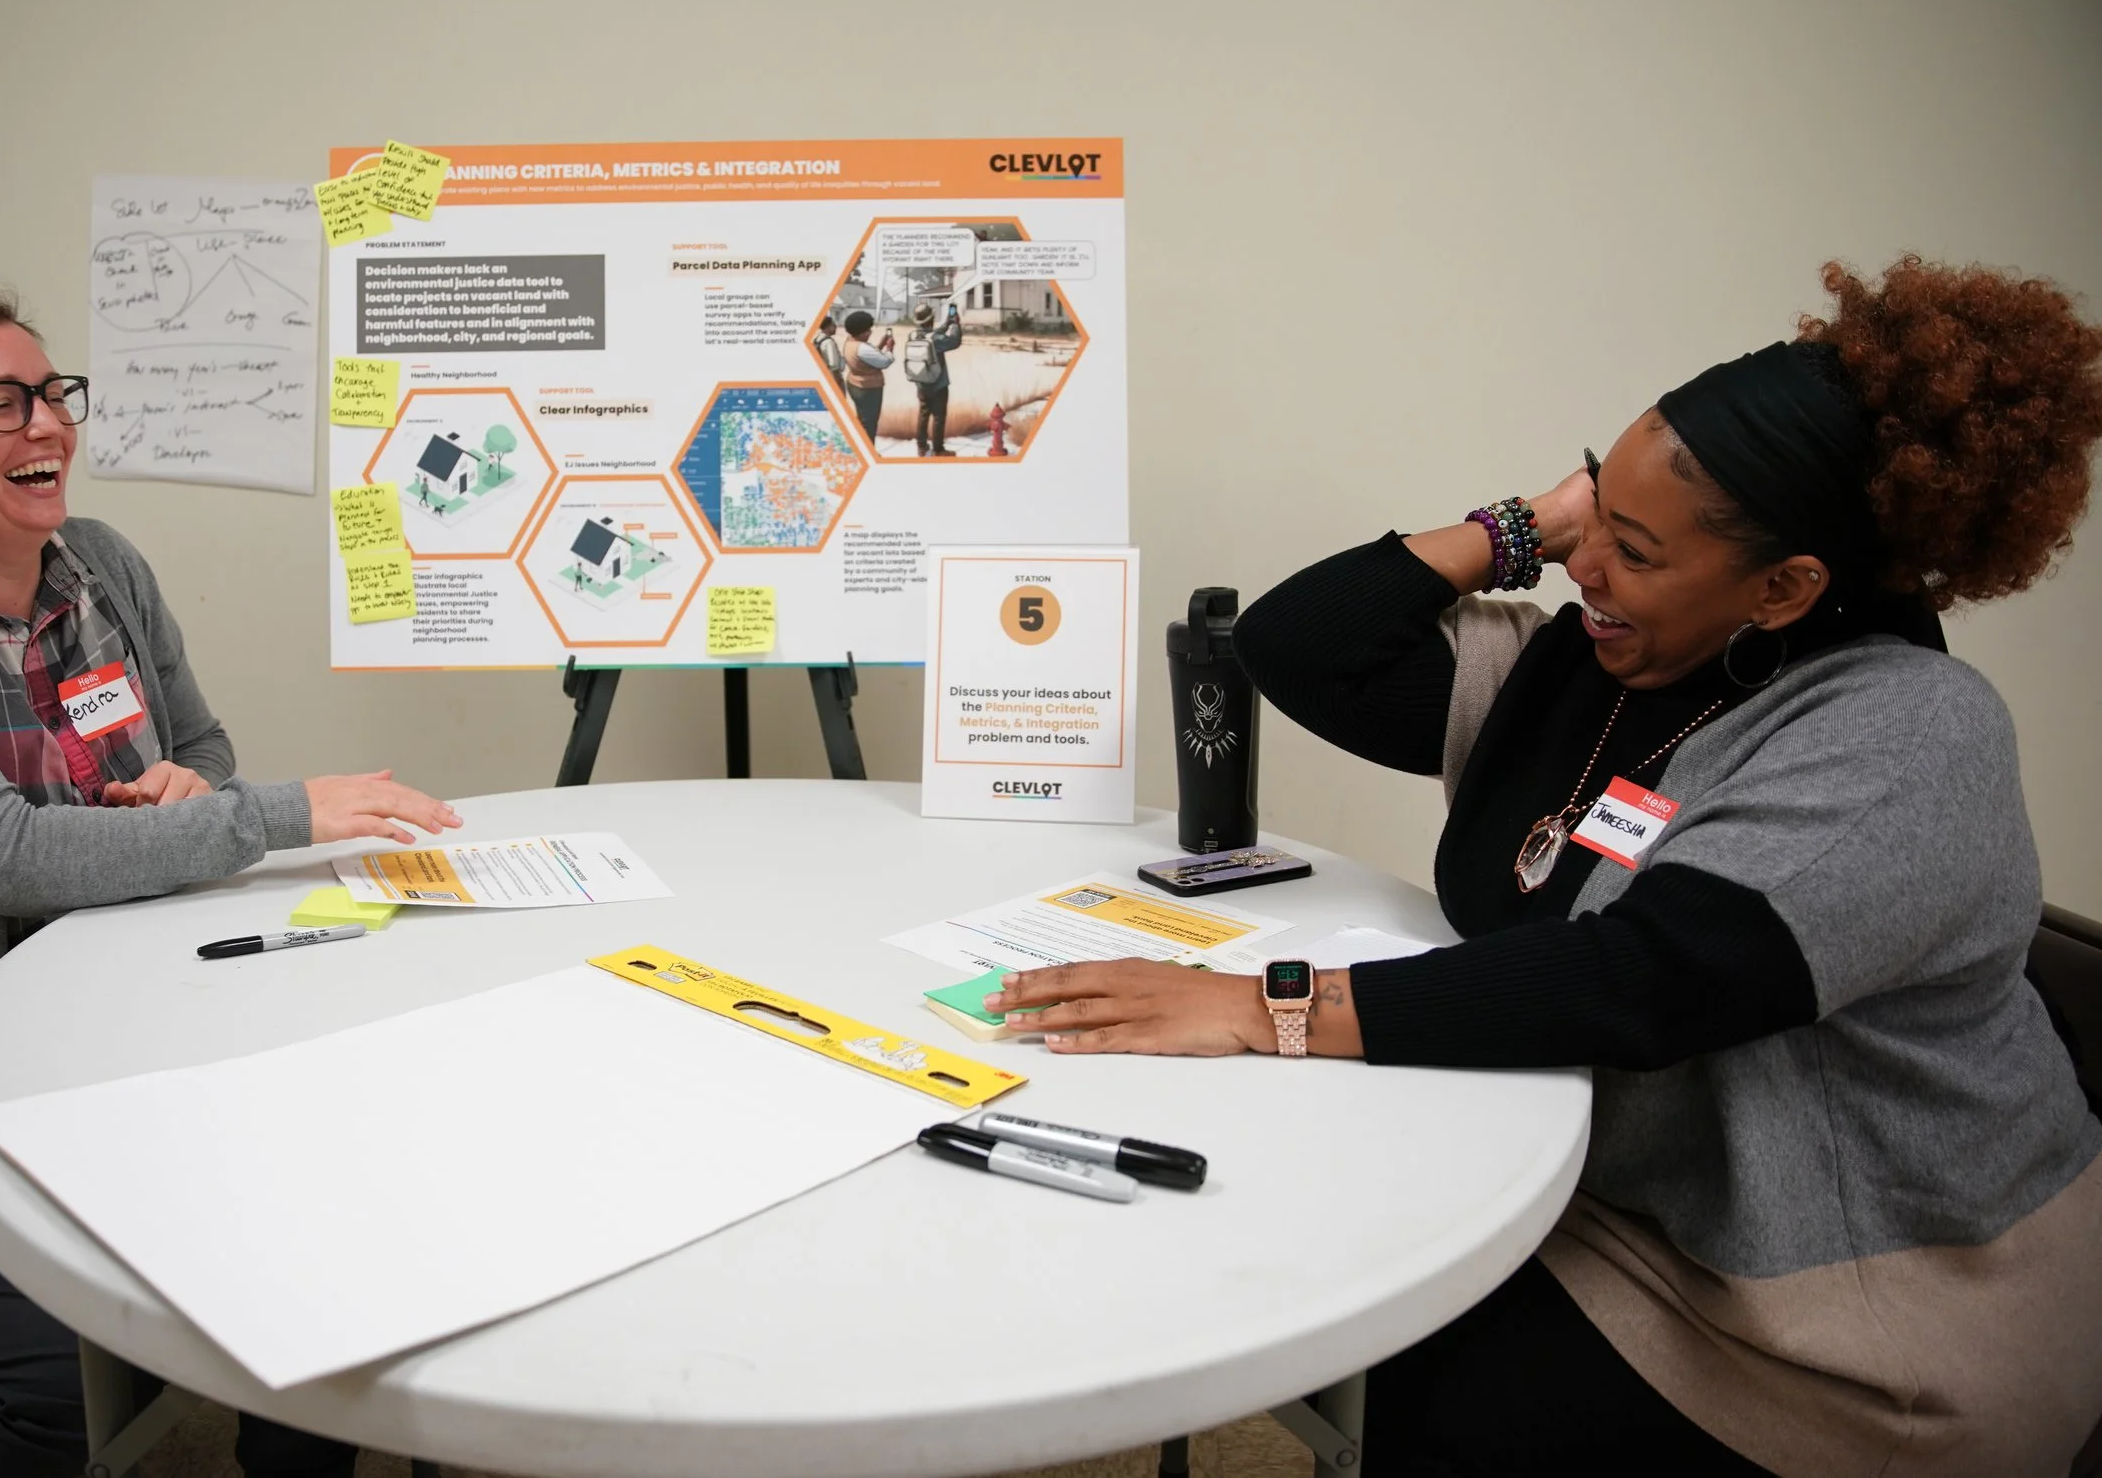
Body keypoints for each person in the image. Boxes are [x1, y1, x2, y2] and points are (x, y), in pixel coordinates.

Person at [986, 257, 2102, 1474]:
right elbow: (1296, 644)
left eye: (1634, 547)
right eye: (1592, 514)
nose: (1586, 567)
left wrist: (1265, 1007)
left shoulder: (1908, 735)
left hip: (1853, 1328)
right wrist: (1519, 525)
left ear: (1783, 588)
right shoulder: (1596, 664)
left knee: (1407, 1357)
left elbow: (1641, 975)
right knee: (1298, 1241)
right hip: (1604, 1193)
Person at [0, 268, 463, 1478]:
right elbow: (2, 856)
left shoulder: (100, 565)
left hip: (131, 1021)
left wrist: (190, 787)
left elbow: (201, 745)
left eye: (53, 393)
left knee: (333, 1239)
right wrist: (278, 813)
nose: (46, 423)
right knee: (67, 1384)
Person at [902, 301, 961, 456]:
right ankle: (938, 449)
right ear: (931, 319)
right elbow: (954, 342)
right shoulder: (935, 339)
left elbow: (931, 334)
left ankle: (921, 446)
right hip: (938, 384)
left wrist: (946, 324)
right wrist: (955, 325)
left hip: (921, 383)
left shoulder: (912, 335)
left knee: (923, 414)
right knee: (938, 418)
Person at [837, 308, 895, 443]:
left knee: (862, 419)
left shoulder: (850, 342)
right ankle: (869, 448)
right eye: (868, 330)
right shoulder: (862, 348)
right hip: (868, 389)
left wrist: (881, 345)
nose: (870, 332)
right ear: (860, 332)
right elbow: (884, 362)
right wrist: (889, 348)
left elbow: (869, 357)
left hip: (854, 384)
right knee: (869, 423)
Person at [814, 312, 846, 390]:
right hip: (833, 377)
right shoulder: (829, 342)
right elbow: (834, 364)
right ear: (827, 327)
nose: (836, 327)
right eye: (833, 325)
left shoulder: (818, 338)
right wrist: (838, 380)